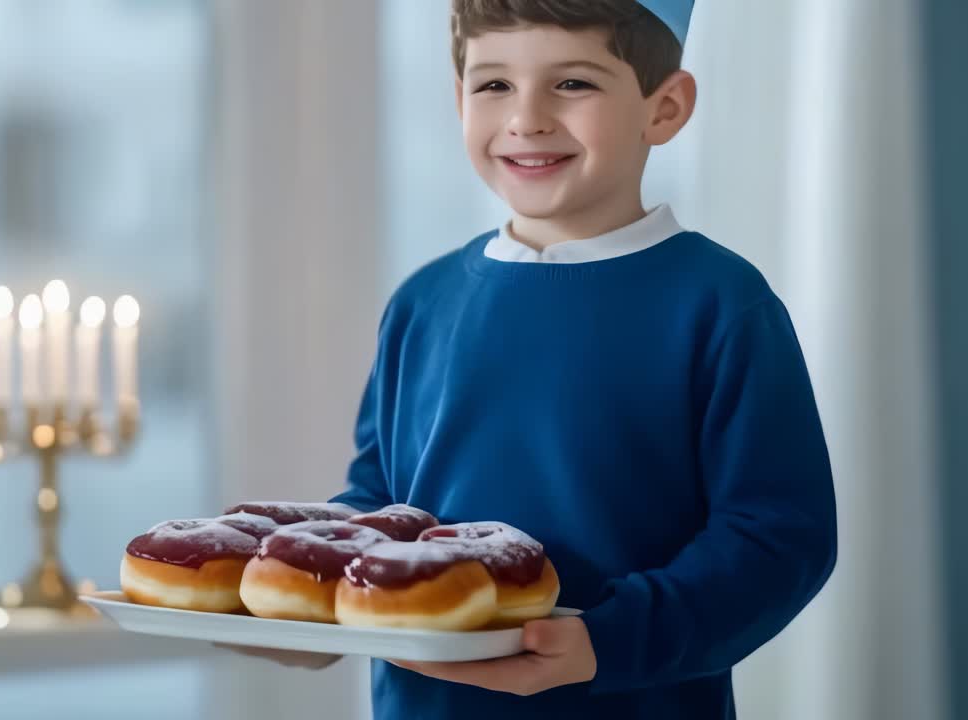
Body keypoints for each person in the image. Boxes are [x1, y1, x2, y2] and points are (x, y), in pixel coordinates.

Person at [231, 1, 837, 718]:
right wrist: (322, 605)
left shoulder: (719, 305)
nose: (527, 119)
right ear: (459, 98)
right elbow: (380, 505)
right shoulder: (422, 305)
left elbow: (778, 538)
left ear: (663, 107)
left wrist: (609, 641)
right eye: (494, 86)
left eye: (573, 84)